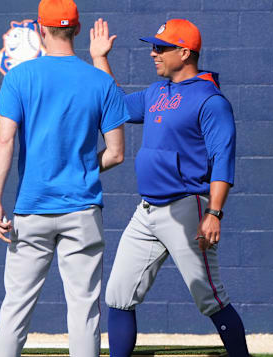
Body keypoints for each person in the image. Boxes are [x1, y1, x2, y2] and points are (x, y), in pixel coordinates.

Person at [89, 18, 250, 356]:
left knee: (211, 299)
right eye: (154, 46)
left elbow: (223, 159)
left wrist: (214, 212)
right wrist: (101, 58)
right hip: (146, 209)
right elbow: (115, 105)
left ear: (185, 52)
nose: (153, 53)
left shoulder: (210, 100)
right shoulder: (157, 92)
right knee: (118, 293)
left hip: (186, 208)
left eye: (161, 48)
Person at [0, 0, 129, 357]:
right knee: (84, 310)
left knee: (15, 309)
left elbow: (4, 142)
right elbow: (116, 153)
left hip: (31, 208)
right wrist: (81, 168)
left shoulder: (19, 77)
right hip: (83, 210)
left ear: (39, 30)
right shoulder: (101, 83)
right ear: (78, 29)